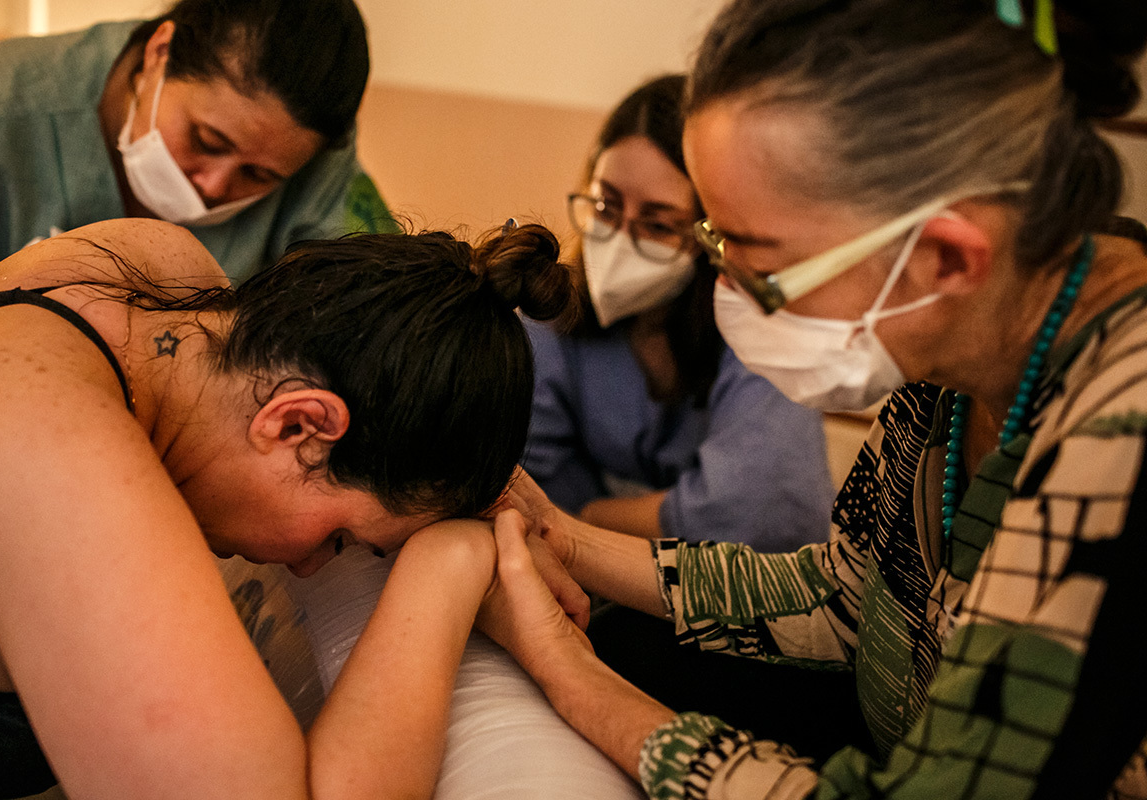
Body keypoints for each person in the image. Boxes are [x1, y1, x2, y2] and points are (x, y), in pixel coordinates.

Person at [476, 1, 1147, 798]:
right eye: (717, 247)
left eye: (760, 262)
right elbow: (845, 592)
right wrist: (563, 536)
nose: (726, 293)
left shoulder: (1119, 430)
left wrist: (570, 676)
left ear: (945, 256)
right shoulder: (948, 363)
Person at [0, 216, 582, 799]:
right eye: (340, 538)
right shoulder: (59, 471)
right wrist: (451, 558)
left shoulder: (157, 269)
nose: (311, 567)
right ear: (296, 423)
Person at [524, 73, 833, 549]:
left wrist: (586, 516)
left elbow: (761, 513)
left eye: (658, 224)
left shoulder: (759, 329)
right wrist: (672, 513)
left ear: (709, 233)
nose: (620, 240)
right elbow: (524, 485)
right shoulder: (553, 316)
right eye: (606, 207)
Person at [0, 0, 392, 295]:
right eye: (207, 140)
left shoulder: (322, 166)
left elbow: (384, 324)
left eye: (259, 176)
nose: (213, 188)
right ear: (160, 51)